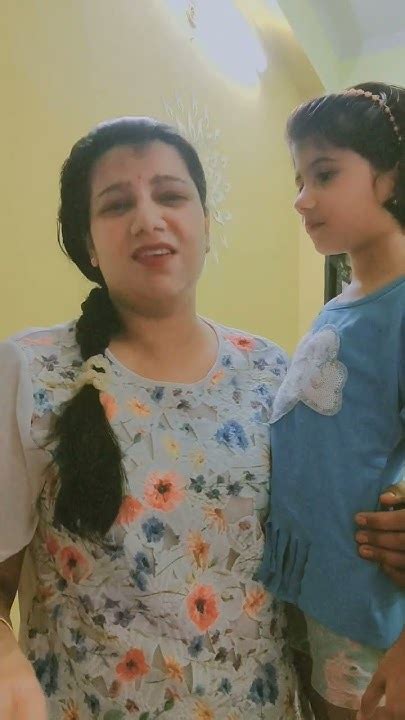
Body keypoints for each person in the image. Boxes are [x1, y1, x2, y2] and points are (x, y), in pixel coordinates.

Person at [0, 116, 305, 719]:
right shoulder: (32, 371)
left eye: (170, 195)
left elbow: (305, 554)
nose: (148, 218)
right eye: (117, 205)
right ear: (88, 243)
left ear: (206, 224)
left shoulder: (270, 369)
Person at [260, 82, 405, 720]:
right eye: (299, 179)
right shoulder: (338, 308)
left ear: (389, 177)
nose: (302, 198)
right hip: (302, 595)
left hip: (363, 614)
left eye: (324, 173)